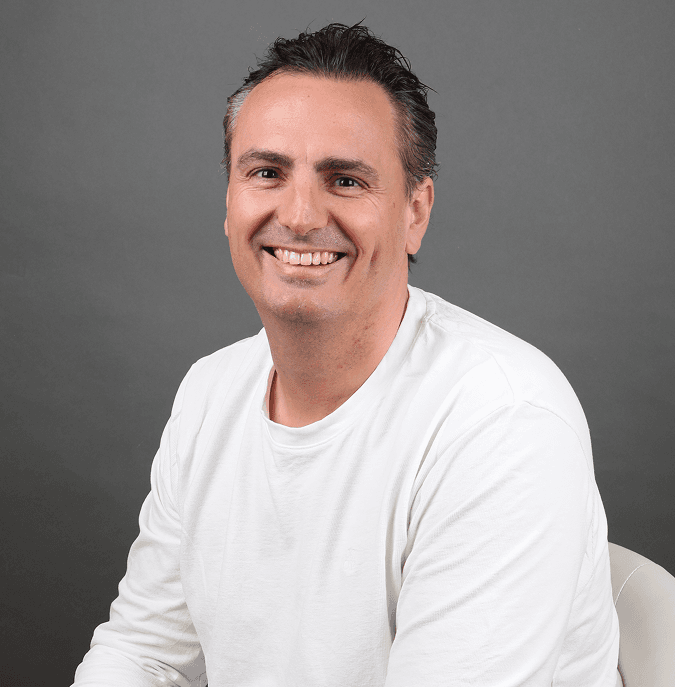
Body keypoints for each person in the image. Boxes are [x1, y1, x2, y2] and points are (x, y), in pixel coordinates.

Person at [73, 20, 621, 687]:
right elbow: (144, 654)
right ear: (229, 198)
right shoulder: (209, 392)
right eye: (266, 172)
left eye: (346, 180)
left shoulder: (502, 422)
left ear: (415, 211)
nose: (300, 215)